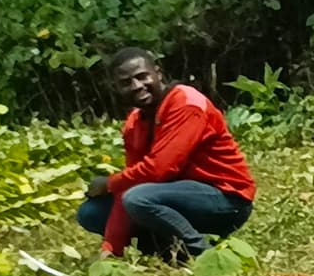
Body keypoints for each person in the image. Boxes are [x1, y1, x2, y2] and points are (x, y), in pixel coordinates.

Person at [77, 50, 256, 262]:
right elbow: (130, 183)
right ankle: (168, 251)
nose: (136, 86)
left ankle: (202, 253)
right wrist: (111, 247)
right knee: (91, 213)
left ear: (158, 73)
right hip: (177, 196)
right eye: (126, 82)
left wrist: (108, 183)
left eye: (142, 76)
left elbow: (158, 169)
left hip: (227, 199)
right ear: (116, 88)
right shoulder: (135, 123)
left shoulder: (186, 103)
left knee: (137, 198)